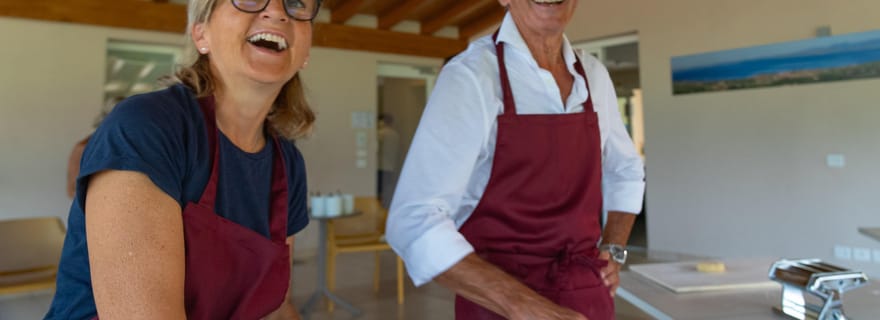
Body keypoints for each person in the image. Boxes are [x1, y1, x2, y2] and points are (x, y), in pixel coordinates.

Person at [46, 0, 320, 319]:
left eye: (297, 2)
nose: (277, 11)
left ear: (306, 51)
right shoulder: (145, 127)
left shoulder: (288, 164)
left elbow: (278, 309)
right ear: (201, 34)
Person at [386, 1, 645, 319]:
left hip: (587, 297)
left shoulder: (593, 75)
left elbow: (626, 168)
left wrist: (613, 248)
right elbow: (413, 221)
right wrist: (526, 307)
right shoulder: (471, 76)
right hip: (500, 307)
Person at [376, 113, 400, 208]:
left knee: (378, 190)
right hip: (391, 166)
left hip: (380, 166)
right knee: (387, 189)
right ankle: (385, 207)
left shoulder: (380, 133)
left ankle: (379, 208)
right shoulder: (395, 134)